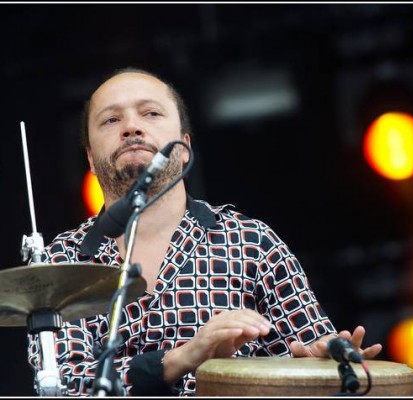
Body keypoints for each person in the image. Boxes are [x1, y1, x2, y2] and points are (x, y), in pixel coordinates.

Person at [27, 67, 382, 396]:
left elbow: (316, 359)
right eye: (111, 119)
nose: (132, 127)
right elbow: (64, 385)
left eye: (150, 113)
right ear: (90, 158)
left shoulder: (251, 242)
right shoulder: (62, 260)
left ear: (184, 147)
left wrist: (320, 362)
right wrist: (185, 356)